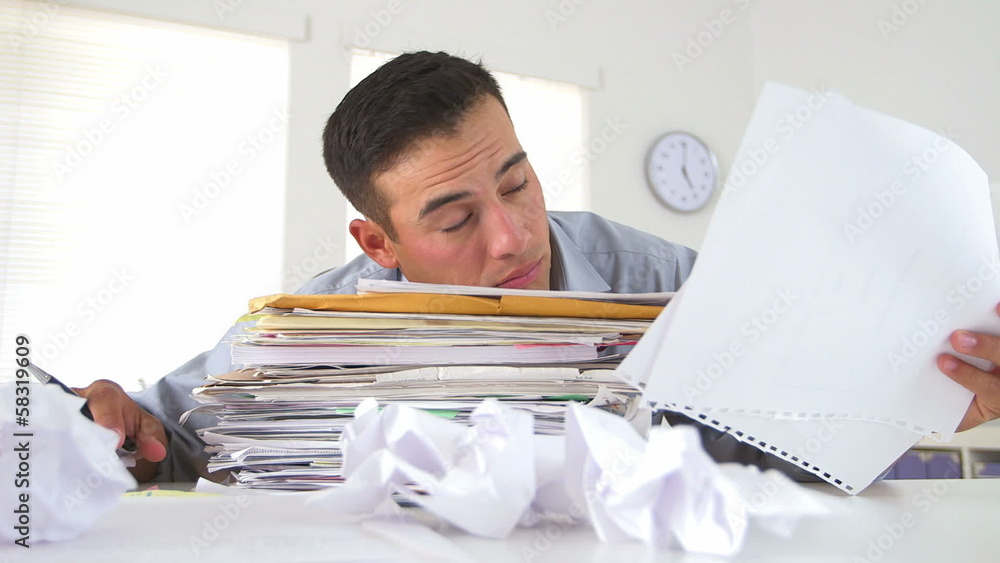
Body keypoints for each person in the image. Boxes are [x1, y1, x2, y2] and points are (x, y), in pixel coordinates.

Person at [76, 51, 1000, 483]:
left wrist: (907, 398)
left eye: (516, 182)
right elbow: (173, 431)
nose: (514, 237)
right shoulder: (302, 335)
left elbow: (781, 431)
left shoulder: (662, 278)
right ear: (379, 247)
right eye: (455, 218)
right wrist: (119, 427)